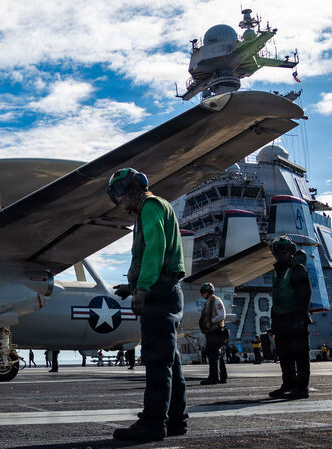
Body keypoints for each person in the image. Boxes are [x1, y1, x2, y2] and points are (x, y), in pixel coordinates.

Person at [108, 168, 187, 441]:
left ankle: (153, 424)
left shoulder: (150, 206)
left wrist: (142, 288)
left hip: (158, 291)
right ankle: (177, 420)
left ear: (131, 189)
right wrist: (132, 286)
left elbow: (155, 247)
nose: (118, 203)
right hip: (167, 289)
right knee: (170, 361)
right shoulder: (160, 206)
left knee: (156, 361)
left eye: (119, 196)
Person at [268, 236, 312, 400]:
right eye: (277, 250)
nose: (279, 253)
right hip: (280, 319)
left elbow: (305, 295)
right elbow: (277, 295)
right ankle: (288, 384)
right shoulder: (277, 270)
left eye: (283, 250)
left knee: (300, 355)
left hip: (295, 317)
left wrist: (300, 319)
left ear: (291, 251)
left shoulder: (297, 269)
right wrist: (274, 319)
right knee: (284, 354)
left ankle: (301, 388)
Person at [198, 283, 227, 385]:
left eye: (203, 292)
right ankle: (222, 377)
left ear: (208, 292)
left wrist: (210, 321)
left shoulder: (216, 301)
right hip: (211, 331)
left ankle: (214, 378)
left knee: (213, 354)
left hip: (216, 330)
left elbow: (222, 315)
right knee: (218, 354)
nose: (202, 294)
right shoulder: (209, 302)